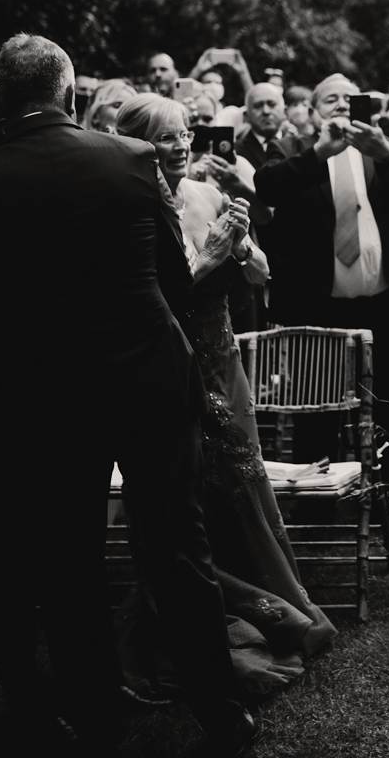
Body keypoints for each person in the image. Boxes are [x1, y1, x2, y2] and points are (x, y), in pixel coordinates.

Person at [0, 34, 253, 755]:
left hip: (40, 397)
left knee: (70, 561)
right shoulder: (130, 162)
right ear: (72, 95)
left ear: (3, 96)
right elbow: (173, 283)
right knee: (178, 547)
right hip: (146, 381)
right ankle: (219, 709)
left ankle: (97, 719)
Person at [113, 94, 336, 698]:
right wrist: (212, 255)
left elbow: (261, 274)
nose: (181, 145)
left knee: (240, 486)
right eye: (164, 138)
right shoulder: (130, 210)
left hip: (223, 364)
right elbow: (163, 299)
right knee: (188, 498)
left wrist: (242, 245)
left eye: (184, 133)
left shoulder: (207, 194)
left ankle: (276, 601)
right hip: (173, 368)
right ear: (134, 145)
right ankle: (188, 621)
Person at [254, 73, 389, 476]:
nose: (342, 104)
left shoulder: (381, 150)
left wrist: (383, 152)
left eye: (351, 98)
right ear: (314, 111)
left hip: (379, 302)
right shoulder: (294, 148)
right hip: (315, 303)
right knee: (317, 400)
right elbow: (268, 187)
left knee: (383, 400)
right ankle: (317, 488)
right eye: (331, 99)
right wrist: (319, 153)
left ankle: (384, 490)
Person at [236, 83, 295, 171]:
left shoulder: (299, 146)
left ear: (285, 112)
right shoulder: (236, 152)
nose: (266, 111)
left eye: (271, 104)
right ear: (246, 116)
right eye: (258, 106)